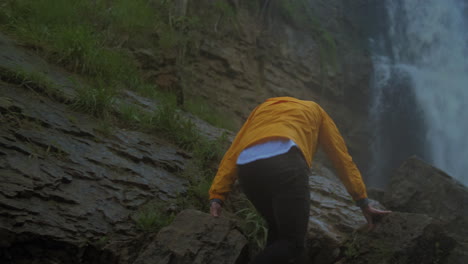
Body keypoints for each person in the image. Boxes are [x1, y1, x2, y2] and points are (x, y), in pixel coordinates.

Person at [208, 97, 390, 264]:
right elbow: (340, 158)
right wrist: (363, 201)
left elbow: (233, 152)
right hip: (285, 162)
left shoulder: (263, 108)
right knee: (293, 243)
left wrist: (217, 195)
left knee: (278, 232)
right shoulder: (315, 110)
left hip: (247, 166)